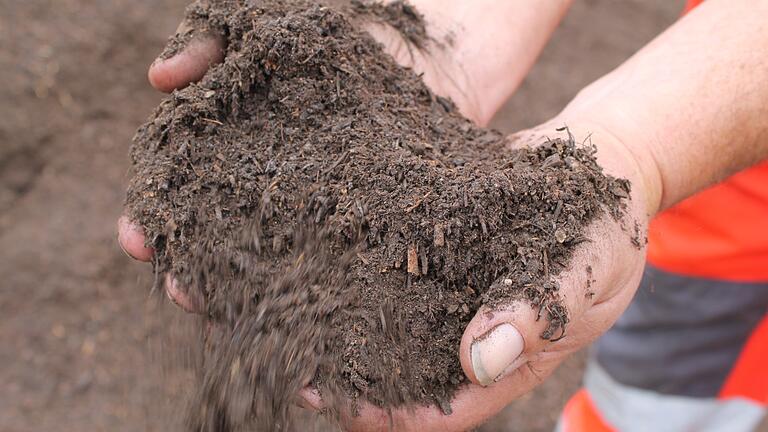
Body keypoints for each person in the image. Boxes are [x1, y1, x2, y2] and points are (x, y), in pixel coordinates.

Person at [118, 0, 768, 430]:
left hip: (740, 201)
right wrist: (440, 23)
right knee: (654, 400)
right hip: (726, 217)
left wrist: (643, 146)